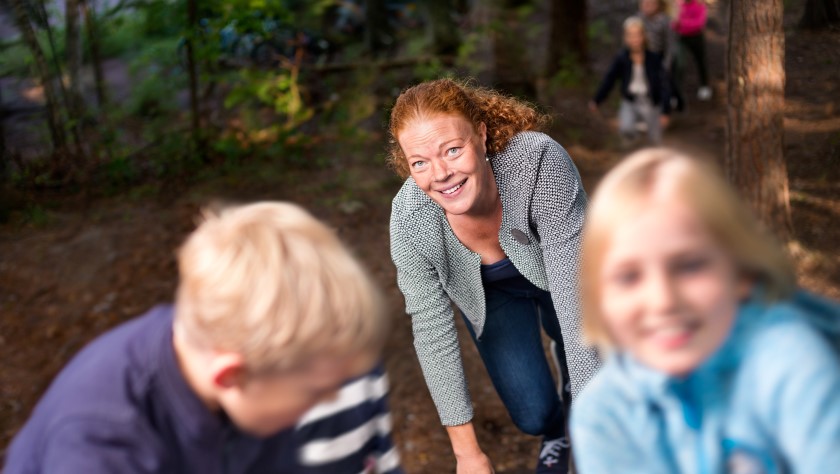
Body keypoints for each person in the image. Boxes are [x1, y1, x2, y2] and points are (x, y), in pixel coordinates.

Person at [5, 201, 403, 474]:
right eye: (314, 392)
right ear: (231, 376)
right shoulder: (101, 445)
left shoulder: (243, 377)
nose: (331, 401)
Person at [570, 148, 840, 473]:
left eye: (690, 266)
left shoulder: (789, 360)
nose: (662, 300)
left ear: (741, 273)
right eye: (628, 277)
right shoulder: (605, 414)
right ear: (601, 298)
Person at [388, 78, 600, 474]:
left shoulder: (537, 163)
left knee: (585, 354)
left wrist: (598, 436)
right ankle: (558, 432)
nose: (441, 173)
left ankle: (573, 388)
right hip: (491, 294)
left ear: (481, 136)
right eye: (420, 162)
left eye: (452, 150)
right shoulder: (410, 220)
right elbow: (432, 332)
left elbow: (578, 302)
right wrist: (467, 454)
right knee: (533, 416)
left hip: (565, 282)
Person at [589, 17, 671, 146]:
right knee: (626, 130)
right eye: (630, 35)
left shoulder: (654, 58)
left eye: (637, 35)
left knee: (655, 140)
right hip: (630, 100)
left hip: (651, 101)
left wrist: (666, 110)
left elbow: (664, 85)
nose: (634, 39)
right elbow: (609, 79)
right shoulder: (622, 58)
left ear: (643, 36)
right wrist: (597, 100)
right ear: (625, 38)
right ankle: (634, 149)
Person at [635, 0, 683, 111]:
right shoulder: (638, 20)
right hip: (647, 57)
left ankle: (672, 105)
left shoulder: (665, 21)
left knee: (667, 81)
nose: (646, 7)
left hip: (662, 56)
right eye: (644, 4)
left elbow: (671, 45)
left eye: (650, 4)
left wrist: (667, 62)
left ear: (658, 6)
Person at [673, 0, 712, 101]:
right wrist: (678, 24)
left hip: (696, 37)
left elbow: (699, 23)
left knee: (700, 62)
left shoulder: (699, 4)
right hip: (682, 38)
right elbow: (673, 23)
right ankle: (676, 92)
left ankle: (704, 86)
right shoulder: (678, 4)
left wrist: (683, 23)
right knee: (679, 64)